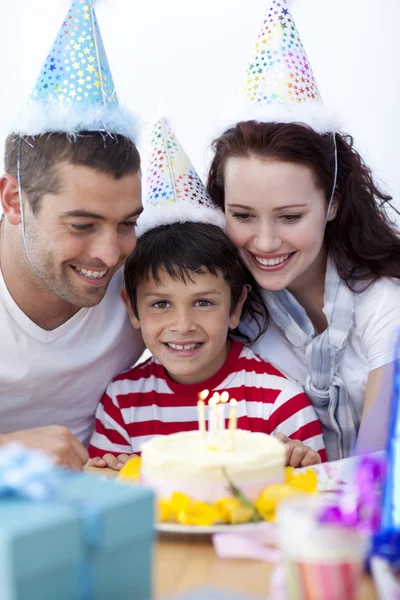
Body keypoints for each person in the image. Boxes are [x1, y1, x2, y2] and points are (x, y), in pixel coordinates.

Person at [206, 0, 400, 460]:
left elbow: (377, 465)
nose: (266, 242)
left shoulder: (383, 303)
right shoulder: (228, 307)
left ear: (332, 202)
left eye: (290, 216)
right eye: (244, 215)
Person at [88, 119, 326, 470]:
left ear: (236, 306)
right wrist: (104, 480)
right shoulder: (121, 404)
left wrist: (302, 467)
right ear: (132, 308)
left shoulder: (278, 401)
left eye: (203, 302)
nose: (182, 325)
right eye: (160, 304)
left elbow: (315, 499)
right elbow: (106, 503)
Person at [0, 1, 144, 468]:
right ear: (13, 201)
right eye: (81, 225)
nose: (108, 255)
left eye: (127, 224)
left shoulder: (146, 288)